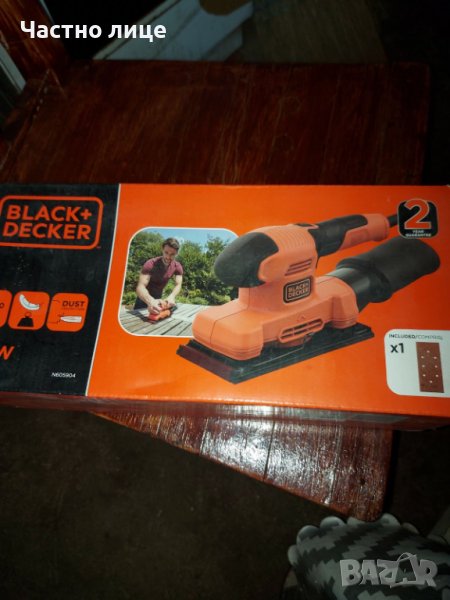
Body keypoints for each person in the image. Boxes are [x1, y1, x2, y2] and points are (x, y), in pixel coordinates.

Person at [134, 238, 183, 314]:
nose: (168, 257)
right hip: (144, 298)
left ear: (176, 253)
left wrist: (172, 296)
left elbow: (178, 284)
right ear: (162, 250)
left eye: (172, 254)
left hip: (158, 297)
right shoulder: (150, 264)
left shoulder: (177, 266)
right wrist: (150, 301)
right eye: (166, 252)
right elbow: (140, 287)